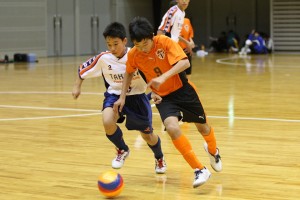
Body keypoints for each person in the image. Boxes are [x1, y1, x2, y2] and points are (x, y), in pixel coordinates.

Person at [114, 17, 222, 188]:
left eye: (145, 44)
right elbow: (128, 72)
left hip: (183, 90)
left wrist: (163, 77)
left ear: (151, 37)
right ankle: (199, 169)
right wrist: (122, 97)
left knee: (203, 127)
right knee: (172, 128)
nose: (142, 49)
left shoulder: (164, 42)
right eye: (137, 45)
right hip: (164, 98)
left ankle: (213, 151)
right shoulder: (134, 54)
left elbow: (185, 62)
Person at [72, 22, 167, 174]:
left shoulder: (137, 54)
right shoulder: (104, 58)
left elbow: (154, 74)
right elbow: (82, 70)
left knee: (147, 136)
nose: (112, 48)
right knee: (107, 120)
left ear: (124, 41)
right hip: (114, 95)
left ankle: (159, 156)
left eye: (115, 44)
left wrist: (155, 91)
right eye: (109, 44)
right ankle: (122, 149)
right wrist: (77, 86)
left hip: (137, 97)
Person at [157, 0, 195, 79]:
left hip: (174, 49)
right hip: (168, 50)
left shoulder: (182, 13)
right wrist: (161, 53)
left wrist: (187, 43)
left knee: (183, 73)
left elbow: (175, 34)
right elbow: (161, 31)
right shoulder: (172, 11)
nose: (184, 1)